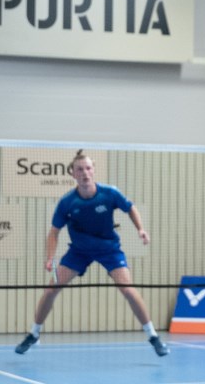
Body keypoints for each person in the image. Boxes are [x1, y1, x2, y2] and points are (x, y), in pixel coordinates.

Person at [14, 150, 168, 357]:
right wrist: (50, 257)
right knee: (51, 290)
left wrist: (140, 229)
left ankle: (153, 337)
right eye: (80, 169)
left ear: (93, 171)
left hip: (109, 249)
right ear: (73, 174)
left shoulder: (110, 193)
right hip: (79, 251)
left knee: (129, 290)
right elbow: (53, 232)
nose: (85, 173)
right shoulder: (67, 202)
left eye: (88, 168)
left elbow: (130, 208)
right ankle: (33, 334)